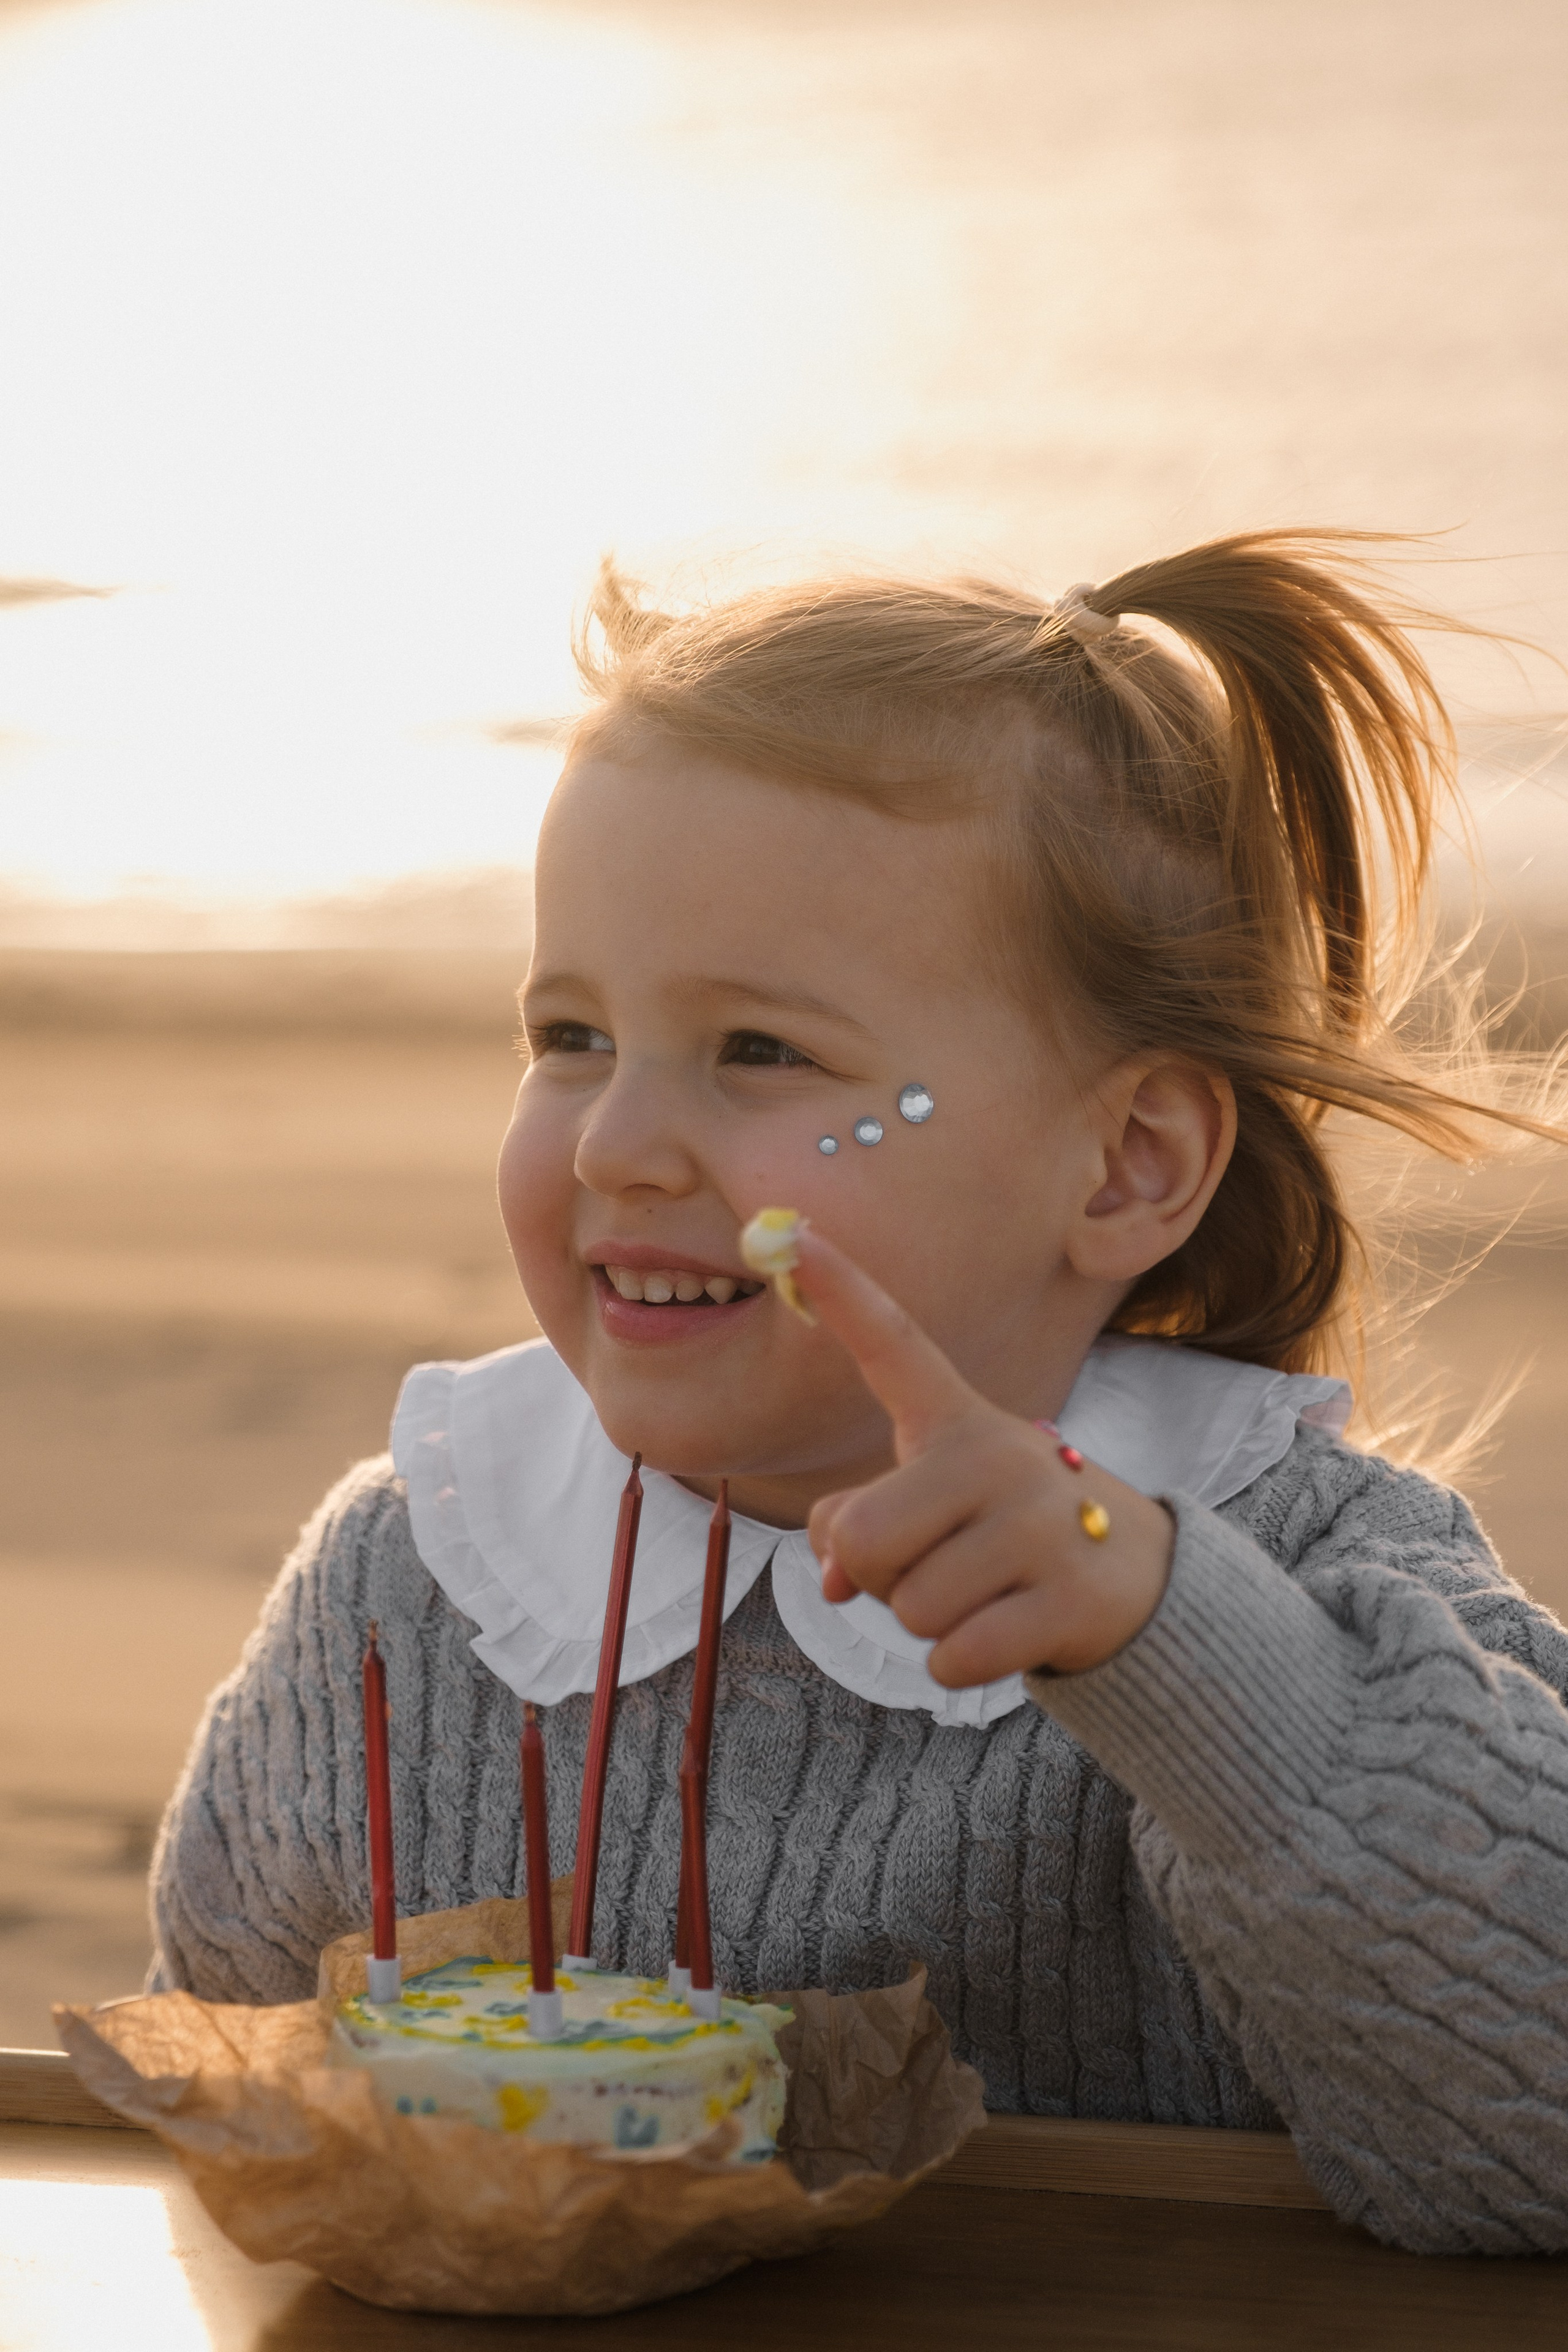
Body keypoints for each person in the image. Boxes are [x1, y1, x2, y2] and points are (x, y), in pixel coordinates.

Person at [150, 532, 1568, 2255]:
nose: (616, 1142)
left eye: (760, 1051)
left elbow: (1533, 2147)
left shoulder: (1320, 1575)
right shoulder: (412, 1578)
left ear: (1127, 1160)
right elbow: (222, 2131)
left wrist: (1181, 1654)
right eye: (571, 1037)